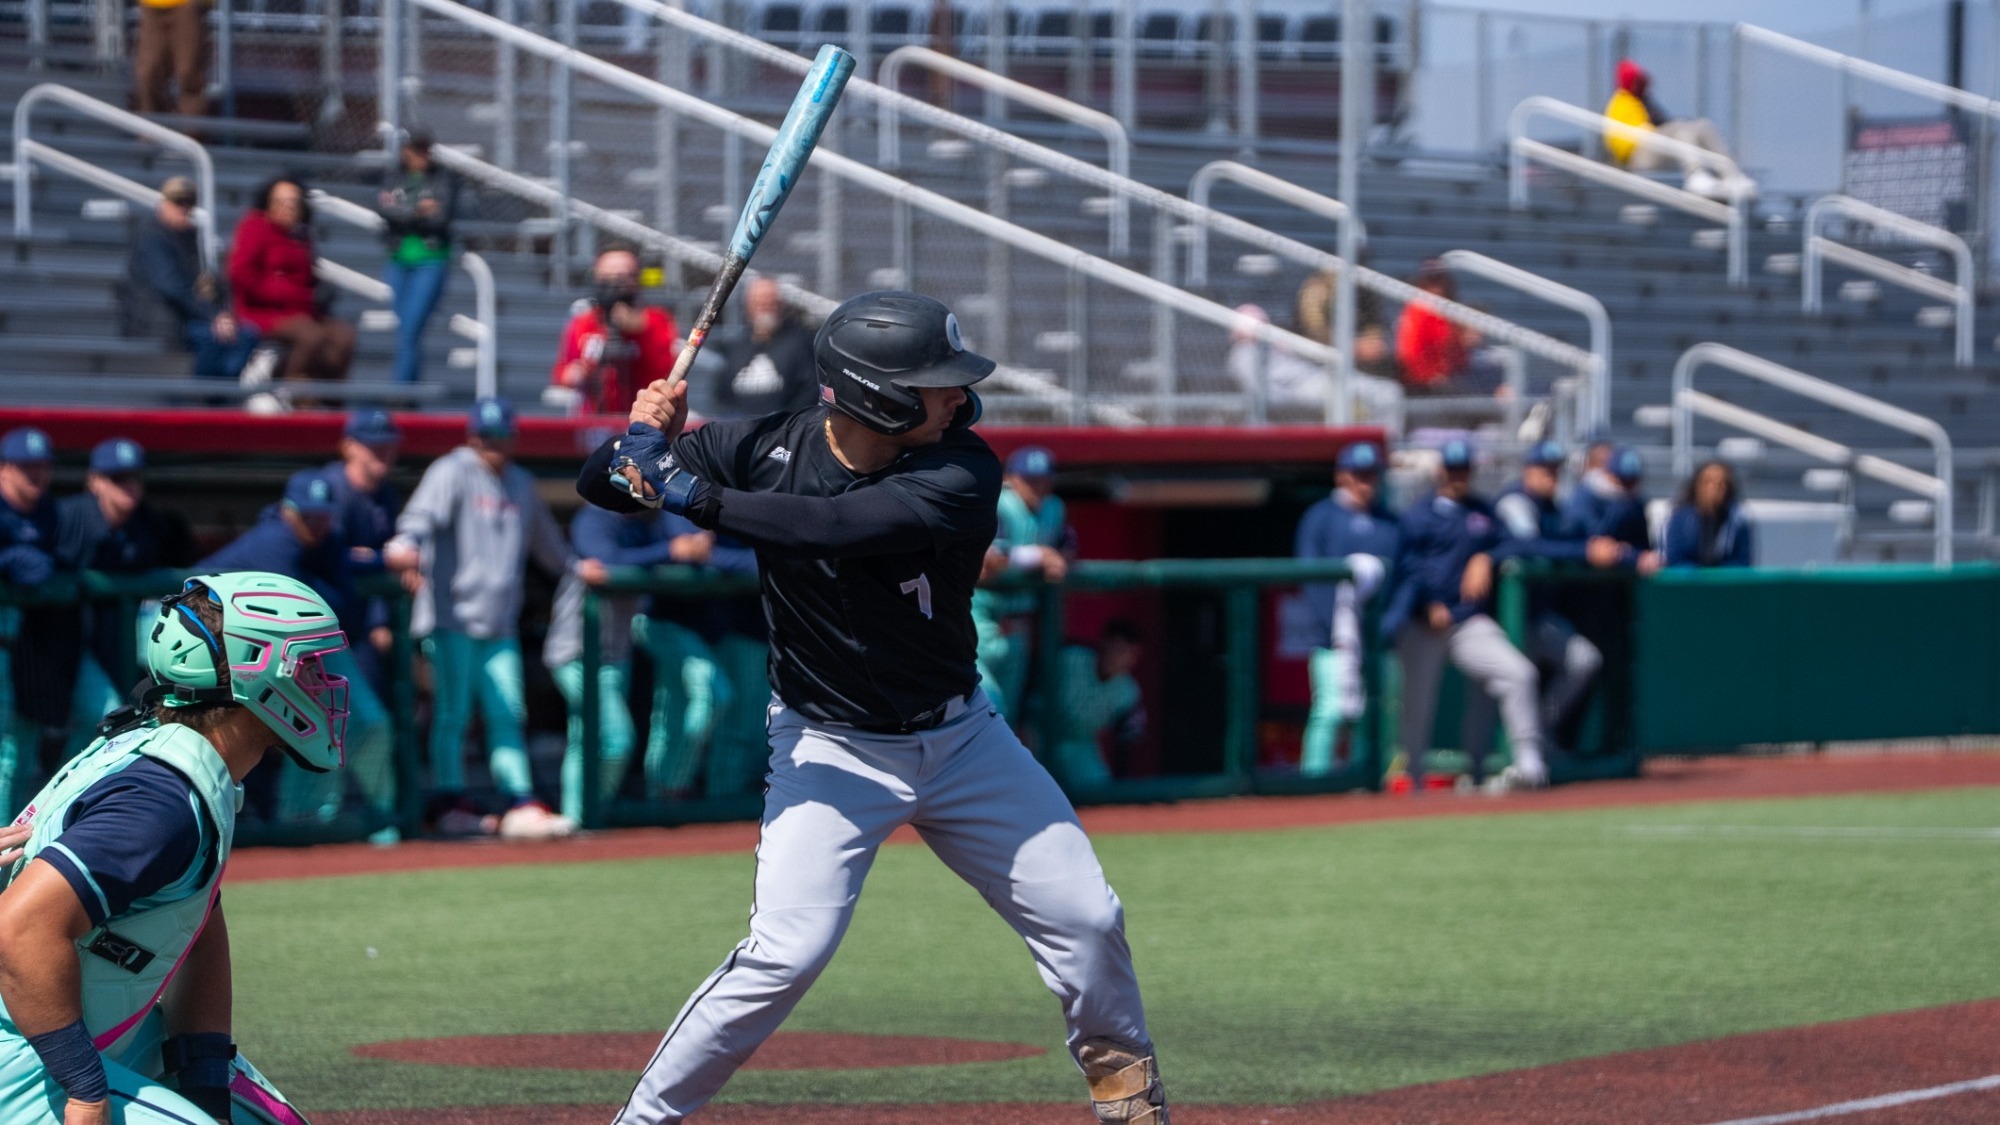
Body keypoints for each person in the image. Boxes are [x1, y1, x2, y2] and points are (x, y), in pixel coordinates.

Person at [580, 290, 1167, 1124]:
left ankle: (1125, 1086)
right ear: (873, 393)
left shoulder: (961, 470)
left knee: (1087, 913)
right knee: (785, 954)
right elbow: (602, 485)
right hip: (830, 746)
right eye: (935, 384)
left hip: (962, 739)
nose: (957, 398)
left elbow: (829, 526)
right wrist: (645, 439)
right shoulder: (763, 444)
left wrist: (678, 485)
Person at [0, 573, 341, 1124]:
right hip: (25, 1042)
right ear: (256, 672)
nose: (324, 682)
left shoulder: (174, 754)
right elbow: (19, 928)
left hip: (52, 1021)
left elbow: (196, 918)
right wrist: (85, 1093)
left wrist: (205, 1084)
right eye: (308, 666)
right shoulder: (162, 800)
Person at [385, 398, 582, 840]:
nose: (495, 446)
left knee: (508, 712)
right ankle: (448, 801)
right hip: (451, 620)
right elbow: (417, 520)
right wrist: (405, 546)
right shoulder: (451, 470)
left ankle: (519, 798)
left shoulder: (521, 483)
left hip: (500, 625)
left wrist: (580, 567)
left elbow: (551, 549)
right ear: (472, 436)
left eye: (503, 437)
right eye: (487, 437)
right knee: (453, 714)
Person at [198, 470, 397, 839]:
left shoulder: (330, 538)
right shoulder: (276, 539)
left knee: (368, 721)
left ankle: (372, 816)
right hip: (205, 635)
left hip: (284, 644)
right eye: (308, 515)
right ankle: (298, 820)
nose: (317, 523)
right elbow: (311, 611)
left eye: (323, 514)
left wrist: (378, 562)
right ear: (288, 511)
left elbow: (341, 605)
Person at [1381, 439, 1547, 791]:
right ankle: (1413, 782)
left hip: (1466, 621)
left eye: (1464, 469)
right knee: (1417, 705)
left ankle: (1529, 764)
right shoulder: (1417, 515)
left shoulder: (1482, 512)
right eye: (1453, 468)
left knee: (1518, 674)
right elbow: (1406, 571)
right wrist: (1424, 605)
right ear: (1441, 471)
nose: (1458, 476)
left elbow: (1520, 543)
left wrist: (1487, 557)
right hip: (1422, 622)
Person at [1481, 441, 1633, 763]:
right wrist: (1583, 552)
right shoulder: (1515, 502)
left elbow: (1582, 540)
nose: (1551, 476)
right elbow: (1528, 545)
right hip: (1500, 619)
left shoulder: (1557, 508)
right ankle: (1509, 753)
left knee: (1584, 660)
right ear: (1527, 471)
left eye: (1555, 470)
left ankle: (1539, 733)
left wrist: (1620, 553)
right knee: (1511, 682)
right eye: (1544, 469)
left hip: (1536, 618)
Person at [54, 440, 196, 760]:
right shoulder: (67, 518)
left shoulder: (148, 525)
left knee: (107, 723)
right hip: (51, 644)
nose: (128, 487)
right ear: (95, 481)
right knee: (22, 741)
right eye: (117, 478)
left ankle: (68, 797)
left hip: (106, 644)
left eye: (133, 478)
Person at [542, 507, 668, 824]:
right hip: (575, 652)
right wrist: (668, 551)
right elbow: (603, 556)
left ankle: (580, 817)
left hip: (615, 653)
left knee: (585, 736)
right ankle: (586, 812)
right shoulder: (593, 518)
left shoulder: (644, 528)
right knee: (616, 738)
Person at [1293, 442, 1399, 778]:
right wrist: (1338, 631)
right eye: (1358, 475)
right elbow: (1311, 579)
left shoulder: (1390, 521)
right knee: (1332, 709)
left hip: (1381, 637)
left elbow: (1407, 576)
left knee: (1379, 715)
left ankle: (1363, 783)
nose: (1365, 482)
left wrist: (1388, 625)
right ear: (1342, 476)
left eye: (1371, 475)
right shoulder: (1321, 517)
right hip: (1331, 637)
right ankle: (1314, 782)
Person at [635, 515, 755, 801]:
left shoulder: (729, 503)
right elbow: (686, 546)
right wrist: (684, 551)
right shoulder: (676, 501)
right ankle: (670, 787)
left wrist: (710, 554)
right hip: (661, 621)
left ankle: (664, 791)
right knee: (713, 694)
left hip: (705, 629)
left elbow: (756, 561)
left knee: (672, 711)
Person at [971, 445, 1073, 722]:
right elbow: (986, 563)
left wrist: (1055, 559)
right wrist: (1038, 555)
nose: (1038, 487)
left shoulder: (1054, 508)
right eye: (1030, 480)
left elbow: (1067, 552)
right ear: (1012, 478)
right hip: (979, 619)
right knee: (986, 709)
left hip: (1019, 625)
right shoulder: (999, 503)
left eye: (1044, 480)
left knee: (1008, 719)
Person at [227, 177, 357, 388]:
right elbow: (240, 273)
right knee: (311, 335)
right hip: (264, 311)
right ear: (268, 203)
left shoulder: (301, 235)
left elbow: (307, 275)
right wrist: (285, 293)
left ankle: (331, 398)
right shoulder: (254, 227)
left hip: (302, 309)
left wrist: (319, 290)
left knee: (344, 336)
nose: (287, 208)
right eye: (280, 202)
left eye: (293, 203)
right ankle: (287, 389)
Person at [125, 177, 258, 382]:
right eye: (178, 203)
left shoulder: (192, 237)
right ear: (164, 204)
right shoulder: (151, 236)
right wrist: (212, 316)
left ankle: (218, 395)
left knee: (248, 334)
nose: (184, 208)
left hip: (190, 315)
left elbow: (211, 282)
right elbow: (170, 286)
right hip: (159, 319)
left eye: (189, 203)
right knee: (213, 337)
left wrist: (223, 314)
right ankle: (204, 395)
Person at [0, 429, 63, 822]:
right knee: (6, 752)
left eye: (42, 468)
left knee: (19, 752)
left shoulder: (49, 513)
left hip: (25, 650)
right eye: (26, 468)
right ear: (3, 469)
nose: (35, 476)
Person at [551, 247, 680, 416]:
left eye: (623, 277)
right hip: (594, 418)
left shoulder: (656, 321)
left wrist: (639, 331)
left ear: (636, 279)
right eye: (607, 276)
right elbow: (562, 371)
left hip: (644, 417)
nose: (615, 285)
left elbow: (667, 370)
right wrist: (575, 373)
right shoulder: (583, 323)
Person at [376, 130, 461, 386]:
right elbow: (384, 208)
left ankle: (400, 391)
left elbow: (441, 216)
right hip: (399, 259)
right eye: (415, 150)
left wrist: (403, 210)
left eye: (425, 150)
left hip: (430, 259)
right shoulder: (395, 176)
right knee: (406, 330)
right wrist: (419, 210)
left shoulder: (443, 179)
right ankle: (409, 392)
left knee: (411, 328)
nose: (420, 156)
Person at [1605, 58, 1748, 199]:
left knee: (1703, 126)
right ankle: (1696, 175)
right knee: (1682, 130)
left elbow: (1664, 122)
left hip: (1658, 148)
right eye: (1636, 80)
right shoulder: (1620, 103)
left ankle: (1731, 174)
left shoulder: (1645, 101)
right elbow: (1619, 145)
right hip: (1637, 157)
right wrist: (1648, 132)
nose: (1640, 84)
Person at [1049, 619, 1146, 790]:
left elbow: (1125, 741)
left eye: (1128, 652)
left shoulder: (1128, 691)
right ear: (1104, 643)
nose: (1119, 657)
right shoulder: (1070, 658)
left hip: (1081, 747)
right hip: (1043, 738)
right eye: (1117, 648)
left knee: (1101, 793)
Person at [705, 276, 820, 418]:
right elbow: (722, 394)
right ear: (748, 307)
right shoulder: (737, 346)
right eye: (759, 303)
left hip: (786, 428)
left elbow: (809, 389)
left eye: (770, 303)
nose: (765, 309)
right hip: (743, 428)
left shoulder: (799, 342)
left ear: (780, 305)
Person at [1394, 261, 1498, 396]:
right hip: (1423, 382)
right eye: (1431, 282)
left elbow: (1458, 353)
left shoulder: (1448, 310)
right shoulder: (1418, 310)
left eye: (1440, 281)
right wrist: (1429, 375)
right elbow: (1410, 353)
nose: (1437, 287)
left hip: (1450, 375)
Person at [1296, 267, 1395, 378]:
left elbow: (1374, 321)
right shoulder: (1317, 289)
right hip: (1320, 359)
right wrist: (1353, 345)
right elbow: (1315, 329)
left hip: (1359, 359)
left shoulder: (1363, 286)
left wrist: (1374, 340)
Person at [1664, 460, 1754, 568]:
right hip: (1689, 583)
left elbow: (1742, 561)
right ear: (1698, 486)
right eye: (1709, 482)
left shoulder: (1737, 523)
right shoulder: (1680, 520)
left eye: (1721, 483)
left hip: (1724, 583)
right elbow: (1674, 558)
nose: (1715, 488)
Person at [1565, 445, 1652, 555]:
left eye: (1632, 480)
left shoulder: (1635, 504)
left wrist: (1629, 552)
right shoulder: (1586, 496)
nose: (1627, 486)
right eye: (1622, 480)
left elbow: (1642, 544)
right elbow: (1594, 538)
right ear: (1609, 474)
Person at [132, 0, 206, 117]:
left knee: (188, 72)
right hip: (151, 5)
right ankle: (151, 128)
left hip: (187, 5)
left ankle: (192, 131)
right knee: (148, 72)